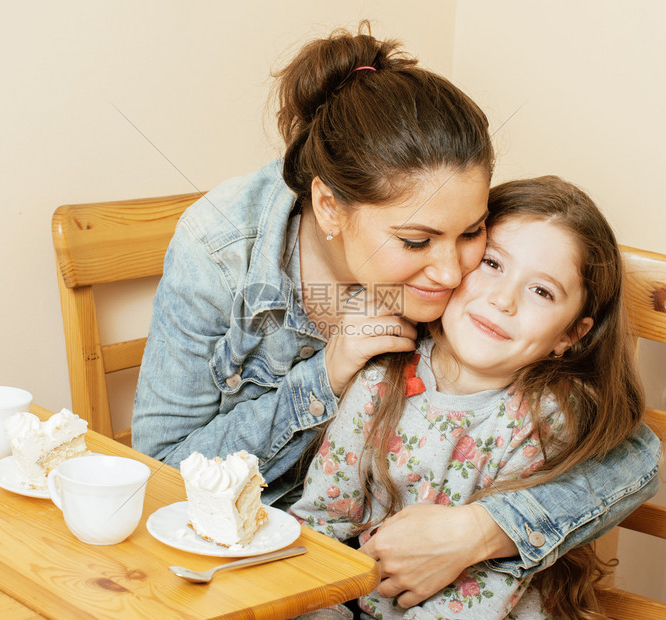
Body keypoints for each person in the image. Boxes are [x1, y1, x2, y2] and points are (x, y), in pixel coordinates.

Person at [132, 23, 660, 606]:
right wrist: (323, 376)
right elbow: (159, 476)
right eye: (416, 242)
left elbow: (627, 452)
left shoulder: (477, 298)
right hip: (271, 561)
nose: (453, 273)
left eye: (473, 234)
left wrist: (482, 530)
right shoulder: (222, 248)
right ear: (329, 206)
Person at [291, 176, 648, 619]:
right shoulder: (383, 374)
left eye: (541, 291)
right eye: (493, 264)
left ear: (570, 335)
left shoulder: (546, 419)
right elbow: (321, 525)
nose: (503, 300)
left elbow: (484, 591)